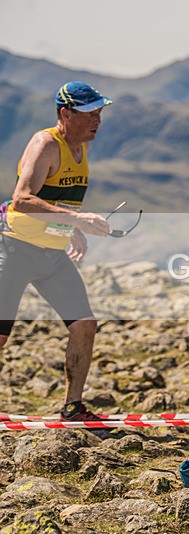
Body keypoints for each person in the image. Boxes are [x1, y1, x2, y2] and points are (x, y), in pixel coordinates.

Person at [0, 82, 113, 422]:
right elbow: (22, 199)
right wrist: (76, 218)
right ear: (66, 114)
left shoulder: (81, 149)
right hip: (15, 250)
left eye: (99, 114)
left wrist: (72, 229)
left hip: (51, 255)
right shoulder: (45, 143)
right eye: (89, 114)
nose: (97, 121)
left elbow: (56, 202)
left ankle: (72, 407)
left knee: (84, 325)